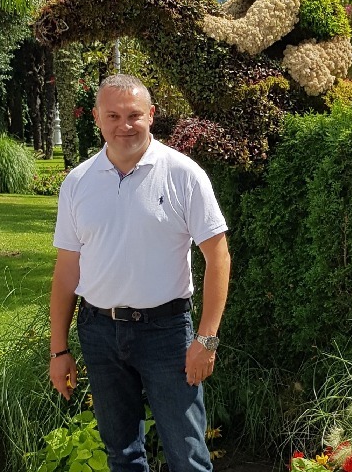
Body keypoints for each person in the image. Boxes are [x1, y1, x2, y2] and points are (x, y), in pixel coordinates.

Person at [49, 74, 231, 472]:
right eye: (113, 115)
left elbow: (218, 257)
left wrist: (207, 339)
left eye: (134, 115)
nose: (124, 125)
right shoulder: (77, 183)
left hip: (166, 334)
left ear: (151, 115)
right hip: (99, 332)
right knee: (123, 455)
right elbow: (66, 272)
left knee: (187, 456)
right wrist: (58, 350)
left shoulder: (183, 174)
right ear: (97, 118)